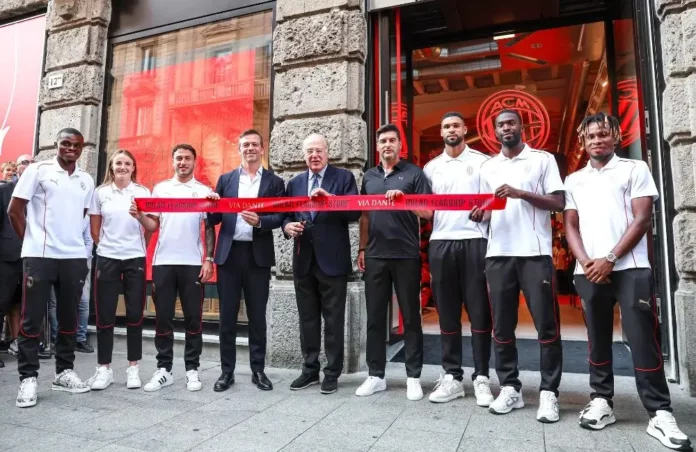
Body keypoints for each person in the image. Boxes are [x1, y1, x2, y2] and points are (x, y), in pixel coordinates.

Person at [564, 113, 692, 450]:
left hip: (629, 267)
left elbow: (642, 219)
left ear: (616, 137)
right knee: (597, 339)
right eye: (591, 136)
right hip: (589, 269)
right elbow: (570, 226)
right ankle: (601, 400)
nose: (597, 140)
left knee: (642, 339)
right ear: (583, 141)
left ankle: (659, 412)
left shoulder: (635, 169)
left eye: (603, 134)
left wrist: (610, 259)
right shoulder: (574, 180)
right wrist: (585, 261)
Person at [470, 110, 565, 422]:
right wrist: (480, 214)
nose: (505, 128)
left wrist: (520, 193)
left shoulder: (542, 159)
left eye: (510, 123)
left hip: (534, 253)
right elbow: (487, 209)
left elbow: (558, 202)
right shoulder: (488, 166)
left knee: (546, 326)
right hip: (498, 253)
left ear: (521, 127)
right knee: (502, 327)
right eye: (500, 124)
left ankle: (549, 392)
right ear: (494, 131)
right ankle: (510, 386)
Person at [9, 128, 95, 408]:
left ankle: (64, 372)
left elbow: (81, 216)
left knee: (69, 318)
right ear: (57, 145)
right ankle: (28, 378)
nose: (71, 148)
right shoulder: (38, 170)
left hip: (73, 258)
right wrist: (30, 243)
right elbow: (15, 209)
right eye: (66, 143)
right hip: (40, 256)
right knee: (33, 318)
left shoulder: (86, 179)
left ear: (82, 148)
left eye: (77, 145)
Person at [131, 143, 217, 392]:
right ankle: (164, 370)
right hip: (163, 263)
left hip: (193, 263)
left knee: (194, 319)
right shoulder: (161, 189)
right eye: (179, 158)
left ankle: (192, 370)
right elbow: (153, 225)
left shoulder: (203, 191)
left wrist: (208, 259)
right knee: (163, 318)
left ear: (194, 162)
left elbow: (209, 227)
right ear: (173, 161)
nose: (183, 162)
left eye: (187, 158)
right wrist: (139, 216)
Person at [355, 123, 431, 401]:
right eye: (382, 141)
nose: (387, 145)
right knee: (375, 318)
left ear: (401, 145)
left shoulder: (415, 174)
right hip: (375, 255)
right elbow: (364, 215)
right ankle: (376, 375)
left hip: (406, 255)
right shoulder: (369, 177)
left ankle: (413, 376)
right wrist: (362, 248)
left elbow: (428, 212)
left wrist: (405, 200)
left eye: (392, 141)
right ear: (377, 147)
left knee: (411, 318)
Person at [423, 112, 494, 406]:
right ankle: (452, 376)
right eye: (446, 126)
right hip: (441, 242)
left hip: (475, 241)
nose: (451, 130)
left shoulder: (482, 162)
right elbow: (426, 210)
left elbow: (493, 200)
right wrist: (401, 201)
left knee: (479, 312)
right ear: (441, 133)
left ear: (465, 129)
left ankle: (481, 378)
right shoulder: (430, 168)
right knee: (448, 313)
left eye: (455, 125)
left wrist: (486, 211)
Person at [208, 130, 285, 392]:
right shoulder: (226, 180)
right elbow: (214, 220)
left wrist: (261, 221)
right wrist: (212, 205)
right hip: (228, 256)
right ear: (238, 149)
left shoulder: (274, 182)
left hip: (257, 256)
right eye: (245, 145)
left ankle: (258, 370)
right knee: (227, 317)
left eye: (254, 144)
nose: (250, 148)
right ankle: (226, 372)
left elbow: (281, 217)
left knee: (257, 318)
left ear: (262, 149)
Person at [283, 133, 361, 394]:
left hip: (333, 261)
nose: (314, 156)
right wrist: (286, 226)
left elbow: (354, 213)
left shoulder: (344, 178)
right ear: (303, 155)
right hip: (303, 260)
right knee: (307, 319)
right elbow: (286, 215)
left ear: (328, 153)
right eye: (309, 152)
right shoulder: (294, 183)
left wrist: (331, 200)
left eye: (318, 151)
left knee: (334, 319)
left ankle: (332, 372)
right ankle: (309, 369)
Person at [85, 150, 150, 390]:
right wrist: (108, 248)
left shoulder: (142, 192)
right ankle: (104, 369)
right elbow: (94, 230)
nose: (122, 166)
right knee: (105, 315)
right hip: (107, 258)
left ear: (134, 167)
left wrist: (140, 221)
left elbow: (152, 225)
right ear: (111, 167)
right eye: (118, 163)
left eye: (127, 163)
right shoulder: (100, 193)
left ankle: (133, 368)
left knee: (134, 314)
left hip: (135, 258)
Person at [0, 154, 34, 368]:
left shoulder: (38, 192)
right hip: (6, 256)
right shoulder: (4, 191)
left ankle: (22, 347)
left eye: (31, 163)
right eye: (24, 163)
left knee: (23, 306)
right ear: (17, 168)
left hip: (32, 257)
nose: (27, 166)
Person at [48, 215, 93, 353]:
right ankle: (58, 339)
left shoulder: (85, 215)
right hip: (57, 258)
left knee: (84, 302)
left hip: (82, 260)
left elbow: (89, 240)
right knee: (55, 302)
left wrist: (81, 260)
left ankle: (80, 338)